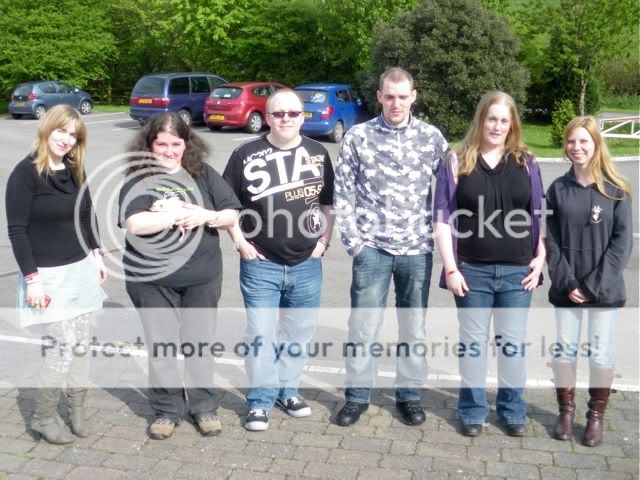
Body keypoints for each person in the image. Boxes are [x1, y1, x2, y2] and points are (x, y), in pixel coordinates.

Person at [333, 67, 449, 427]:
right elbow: (343, 193)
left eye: (403, 96)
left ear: (414, 96)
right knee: (363, 327)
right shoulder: (358, 137)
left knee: (412, 327)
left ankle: (409, 395)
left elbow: (450, 191)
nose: (396, 103)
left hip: (416, 251)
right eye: (389, 96)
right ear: (379, 96)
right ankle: (357, 396)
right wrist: (356, 245)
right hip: (373, 251)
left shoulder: (432, 138)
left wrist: (438, 236)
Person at [118, 112, 240, 440]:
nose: (169, 150)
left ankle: (203, 407)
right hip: (151, 281)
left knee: (199, 344)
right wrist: (173, 214)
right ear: (149, 145)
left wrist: (206, 215)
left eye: (176, 143)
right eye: (162, 144)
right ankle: (167, 410)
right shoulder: (137, 178)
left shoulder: (203, 174)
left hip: (201, 276)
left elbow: (231, 212)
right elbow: (134, 223)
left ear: (187, 144)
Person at [434, 91, 545, 437]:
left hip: (518, 272)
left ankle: (513, 409)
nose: (497, 126)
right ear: (480, 120)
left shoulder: (526, 161)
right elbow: (441, 219)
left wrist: (540, 260)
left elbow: (538, 214)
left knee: (511, 344)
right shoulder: (456, 161)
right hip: (472, 271)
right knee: (473, 344)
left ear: (512, 124)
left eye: (503, 119)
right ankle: (472, 410)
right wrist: (451, 268)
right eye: (491, 118)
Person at [223, 88, 335, 431]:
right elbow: (228, 207)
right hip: (260, 263)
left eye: (292, 113)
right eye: (278, 114)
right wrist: (241, 243)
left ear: (303, 116)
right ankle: (259, 400)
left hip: (307, 262)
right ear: (267, 117)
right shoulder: (245, 154)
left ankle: (289, 391)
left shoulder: (318, 153)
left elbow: (328, 204)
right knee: (260, 334)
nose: (285, 119)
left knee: (298, 333)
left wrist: (323, 243)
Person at [6, 105, 107, 444]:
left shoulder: (75, 169)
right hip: (48, 276)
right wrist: (32, 279)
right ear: (48, 128)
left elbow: (87, 217)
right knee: (60, 348)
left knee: (81, 345)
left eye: (73, 134)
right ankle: (43, 417)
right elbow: (18, 231)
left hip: (81, 271)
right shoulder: (25, 174)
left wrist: (97, 256)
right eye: (61, 131)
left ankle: (76, 411)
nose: (66, 139)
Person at [545, 116, 632, 447]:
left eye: (583, 141)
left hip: (604, 291)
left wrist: (592, 286)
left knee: (601, 354)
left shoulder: (616, 190)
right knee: (565, 350)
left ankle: (595, 417)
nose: (576, 147)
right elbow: (550, 239)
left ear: (596, 144)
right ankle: (565, 412)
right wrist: (568, 282)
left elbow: (621, 245)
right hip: (567, 288)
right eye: (571, 141)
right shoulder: (558, 189)